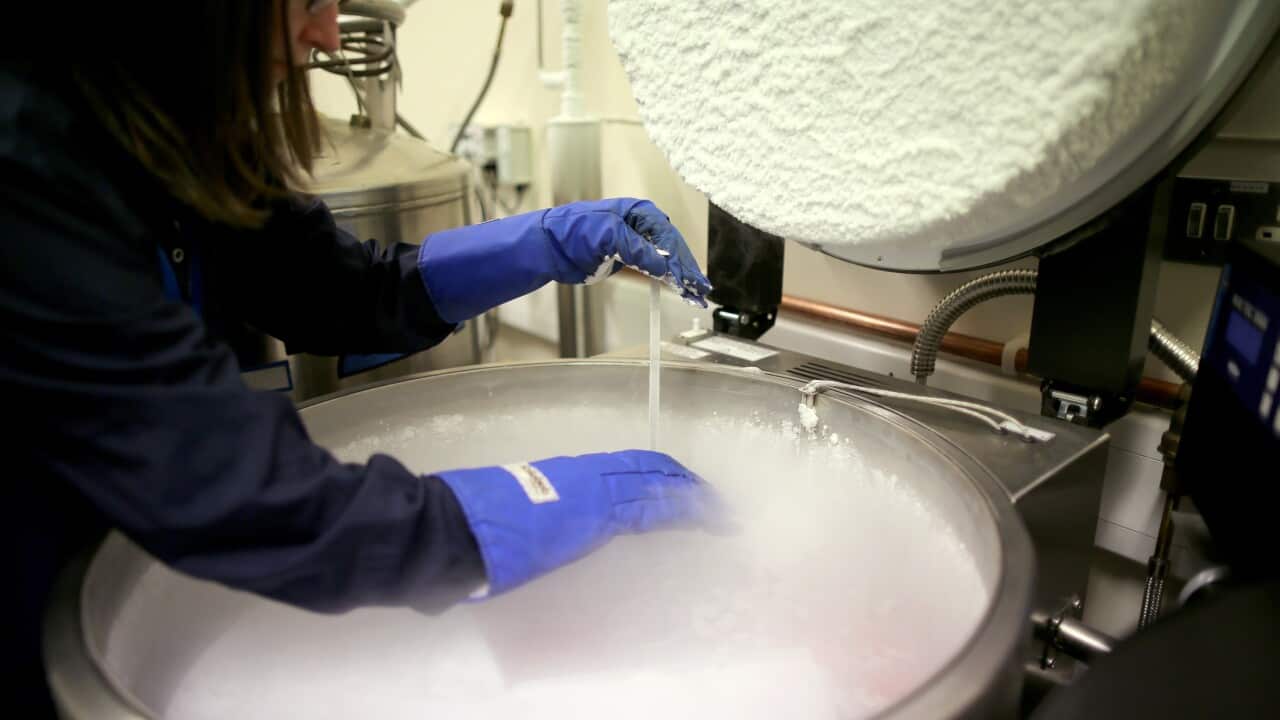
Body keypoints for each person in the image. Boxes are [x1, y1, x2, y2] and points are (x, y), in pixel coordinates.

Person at [1, 0, 717, 713]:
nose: (326, 34)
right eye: (308, 2)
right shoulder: (25, 158)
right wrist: (543, 499)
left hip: (143, 563)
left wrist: (551, 240)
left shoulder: (173, 125)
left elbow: (342, 292)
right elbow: (250, 498)